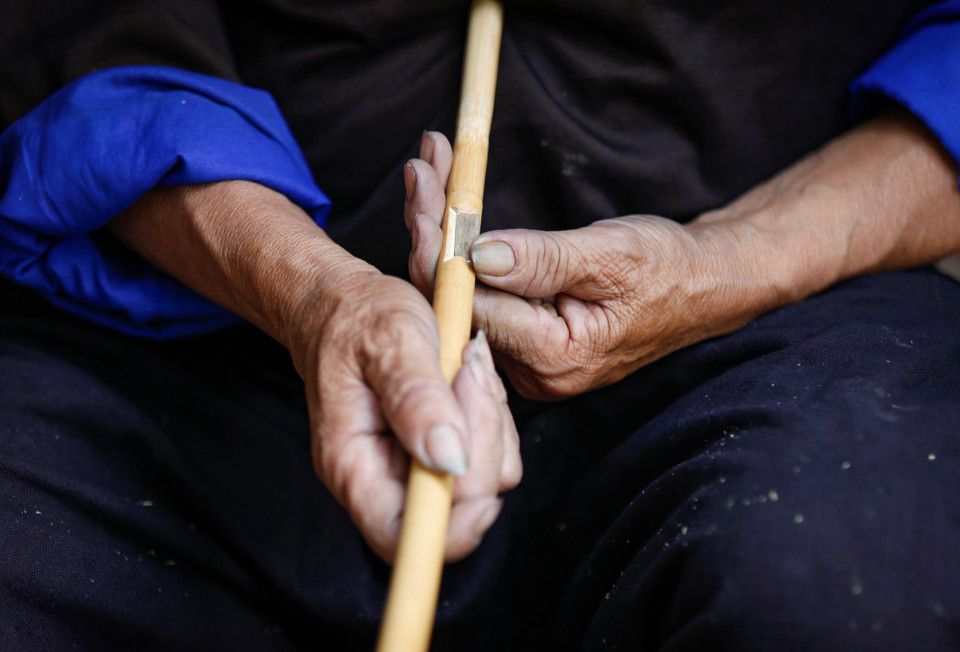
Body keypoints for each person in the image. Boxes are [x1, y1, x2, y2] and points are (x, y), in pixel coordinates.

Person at [0, 1, 959, 649]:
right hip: (215, 332)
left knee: (835, 588)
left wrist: (734, 261)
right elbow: (93, 46)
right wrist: (313, 294)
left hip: (787, 318)